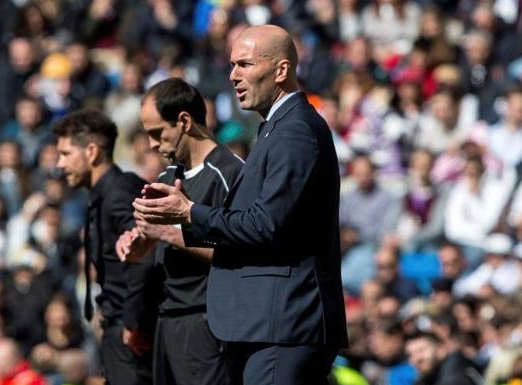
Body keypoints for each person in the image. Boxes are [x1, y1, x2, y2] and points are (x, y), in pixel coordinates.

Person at [132, 24, 348, 385]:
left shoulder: (295, 130)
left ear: (281, 70)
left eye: (245, 65)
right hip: (267, 324)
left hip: (284, 323)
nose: (233, 76)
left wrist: (188, 213)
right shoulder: (273, 128)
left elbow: (267, 225)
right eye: (232, 65)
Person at [118, 77, 243, 385]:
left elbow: (243, 255)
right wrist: (139, 244)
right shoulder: (168, 175)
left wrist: (171, 234)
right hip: (168, 318)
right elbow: (155, 240)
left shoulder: (230, 173)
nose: (151, 144)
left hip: (207, 322)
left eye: (157, 133)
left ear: (184, 121)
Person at [53, 109, 155, 385]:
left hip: (132, 336)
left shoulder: (120, 193)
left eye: (65, 154)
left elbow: (147, 251)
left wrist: (133, 322)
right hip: (119, 330)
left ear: (91, 152)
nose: (59, 164)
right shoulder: (103, 195)